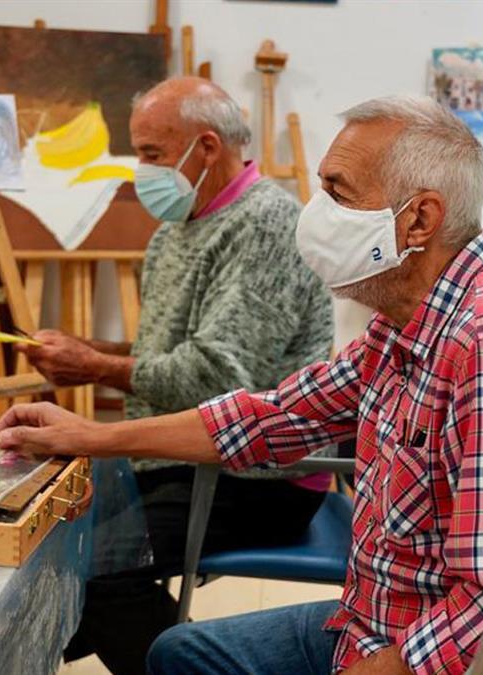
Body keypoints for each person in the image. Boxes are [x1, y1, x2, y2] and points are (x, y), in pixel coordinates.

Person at [0, 95, 483, 674]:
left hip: (449, 652)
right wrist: (85, 435)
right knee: (179, 653)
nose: (316, 213)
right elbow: (268, 418)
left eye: (337, 193)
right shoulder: (406, 326)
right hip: (377, 617)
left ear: (420, 218)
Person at [17, 77, 334, 674]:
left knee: (95, 570)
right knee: (49, 545)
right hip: (181, 455)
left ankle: (195, 665)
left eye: (151, 154)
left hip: (257, 473)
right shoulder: (179, 227)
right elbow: (167, 354)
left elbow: (216, 379)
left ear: (207, 147)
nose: (140, 170)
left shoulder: (265, 224)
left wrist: (96, 367)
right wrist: (87, 351)